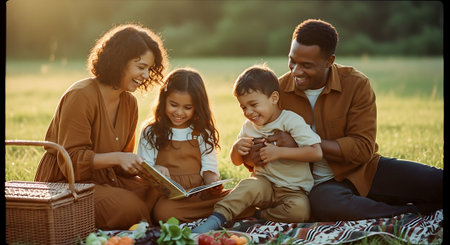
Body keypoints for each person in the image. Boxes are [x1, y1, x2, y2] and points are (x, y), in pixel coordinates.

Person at [244, 19, 443, 221]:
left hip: (364, 171)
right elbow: (258, 143)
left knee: (436, 182)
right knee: (325, 204)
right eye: (292, 61)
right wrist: (252, 154)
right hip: (317, 187)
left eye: (306, 65)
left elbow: (363, 148)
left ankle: (401, 203)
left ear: (329, 61)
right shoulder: (277, 92)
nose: (296, 71)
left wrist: (304, 142)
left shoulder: (356, 84)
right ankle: (410, 213)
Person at [34, 23, 168, 229]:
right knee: (129, 207)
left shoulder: (129, 103)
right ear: (119, 61)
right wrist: (118, 158)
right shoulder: (81, 95)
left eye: (149, 69)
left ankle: (141, 223)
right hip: (66, 182)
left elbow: (123, 165)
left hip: (107, 180)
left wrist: (151, 172)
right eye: (141, 67)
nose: (146, 76)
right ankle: (141, 224)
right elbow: (72, 159)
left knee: (159, 191)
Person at [192, 65, 322, 233]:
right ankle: (216, 219)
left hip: (292, 191)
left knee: (300, 211)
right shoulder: (248, 127)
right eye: (243, 107)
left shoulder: (291, 121)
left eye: (253, 104)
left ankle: (259, 216)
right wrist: (236, 148)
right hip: (263, 185)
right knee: (247, 186)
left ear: (274, 98)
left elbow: (316, 152)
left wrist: (280, 153)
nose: (248, 112)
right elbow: (236, 161)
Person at [137, 68, 231, 224]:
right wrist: (155, 170)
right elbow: (143, 170)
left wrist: (213, 183)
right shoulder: (151, 131)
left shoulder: (202, 132)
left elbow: (209, 169)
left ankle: (218, 211)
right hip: (168, 198)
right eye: (173, 104)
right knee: (164, 213)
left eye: (187, 108)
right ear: (164, 100)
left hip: (198, 196)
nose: (179, 112)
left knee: (241, 197)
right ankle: (218, 215)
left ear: (197, 107)